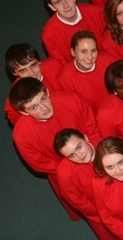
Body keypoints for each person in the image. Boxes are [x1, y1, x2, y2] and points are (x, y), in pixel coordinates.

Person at [9, 78, 100, 220]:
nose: (44, 108)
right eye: (34, 107)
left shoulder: (70, 99)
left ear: (47, 91)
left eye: (44, 99)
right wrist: (72, 169)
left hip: (94, 152)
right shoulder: (21, 135)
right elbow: (39, 163)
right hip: (66, 171)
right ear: (24, 112)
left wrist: (94, 152)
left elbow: (91, 126)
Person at [54, 128, 123, 240]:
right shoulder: (64, 173)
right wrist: (104, 213)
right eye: (71, 155)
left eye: (79, 147)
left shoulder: (108, 145)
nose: (79, 156)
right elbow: (76, 200)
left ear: (86, 138)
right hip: (98, 210)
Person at [41, 0, 106, 65]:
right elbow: (63, 66)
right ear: (52, 7)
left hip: (106, 60)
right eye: (58, 2)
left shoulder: (96, 12)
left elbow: (111, 43)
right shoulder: (49, 35)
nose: (66, 5)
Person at [3, 43, 63, 126]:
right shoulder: (13, 102)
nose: (32, 73)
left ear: (39, 61)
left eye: (33, 65)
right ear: (14, 73)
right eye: (23, 70)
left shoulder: (55, 67)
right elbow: (23, 126)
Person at [59, 31, 116, 114]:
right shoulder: (65, 79)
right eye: (84, 51)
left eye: (93, 51)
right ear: (73, 52)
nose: (90, 57)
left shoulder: (109, 61)